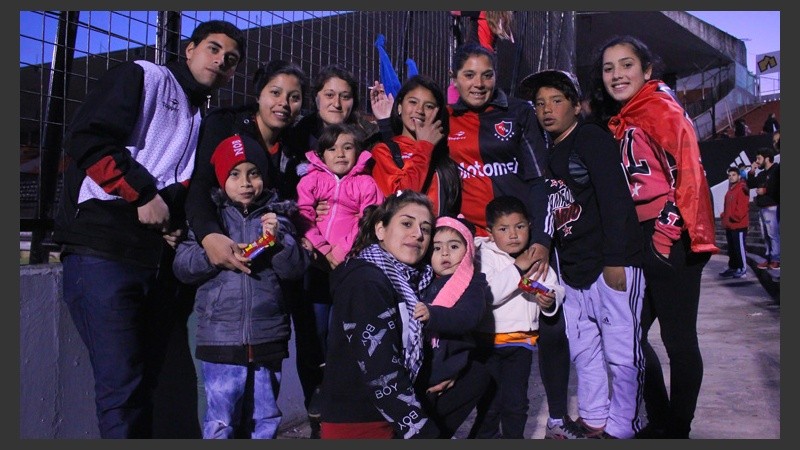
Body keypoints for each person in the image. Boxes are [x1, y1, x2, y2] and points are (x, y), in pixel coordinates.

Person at [52, 20, 245, 438]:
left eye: (230, 60)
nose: (220, 61)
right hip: (102, 253)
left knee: (141, 387)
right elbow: (87, 137)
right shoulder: (143, 75)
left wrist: (173, 221)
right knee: (121, 390)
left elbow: (183, 184)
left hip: (152, 262)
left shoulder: (200, 113)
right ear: (190, 49)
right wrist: (140, 194)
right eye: (213, 49)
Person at [590, 34, 719, 439]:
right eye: (609, 68)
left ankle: (677, 428)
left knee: (679, 341)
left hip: (672, 236)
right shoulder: (626, 114)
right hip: (643, 237)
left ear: (647, 70)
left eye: (626, 64)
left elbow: (688, 171)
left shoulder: (660, 106)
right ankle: (661, 419)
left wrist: (665, 233)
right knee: (627, 336)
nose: (617, 74)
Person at [447, 42, 573, 437]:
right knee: (482, 333)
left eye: (487, 74)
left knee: (548, 326)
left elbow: (538, 181)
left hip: (521, 238)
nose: (479, 83)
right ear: (455, 79)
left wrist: (542, 238)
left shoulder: (517, 113)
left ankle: (556, 417)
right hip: (476, 243)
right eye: (469, 75)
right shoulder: (443, 118)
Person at [183, 58, 307, 432]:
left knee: (265, 415)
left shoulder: (279, 208)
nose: (284, 102)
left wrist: (282, 240)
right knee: (222, 415)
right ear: (258, 95)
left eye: (295, 96)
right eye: (275, 92)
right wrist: (211, 248)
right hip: (220, 336)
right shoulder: (215, 215)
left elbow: (292, 268)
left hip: (268, 334)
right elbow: (185, 261)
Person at [521, 69, 646, 439]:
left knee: (622, 355)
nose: (547, 110)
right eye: (540, 103)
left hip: (609, 264)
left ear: (577, 105)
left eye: (556, 101)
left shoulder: (590, 137)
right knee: (586, 353)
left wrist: (616, 260)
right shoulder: (551, 151)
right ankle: (594, 418)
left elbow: (615, 200)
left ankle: (624, 426)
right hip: (575, 272)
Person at [282, 64, 385, 437]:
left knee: (348, 335)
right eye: (329, 94)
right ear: (317, 97)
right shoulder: (297, 138)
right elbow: (294, 200)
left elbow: (373, 206)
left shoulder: (367, 141)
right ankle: (316, 416)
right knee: (312, 334)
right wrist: (310, 224)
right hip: (311, 255)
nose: (337, 101)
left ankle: (347, 414)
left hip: (350, 259)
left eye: (345, 95)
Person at [319, 190, 441, 439]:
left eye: (426, 229)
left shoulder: (409, 282)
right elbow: (379, 366)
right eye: (406, 223)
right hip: (360, 421)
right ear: (380, 230)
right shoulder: (366, 281)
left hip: (390, 414)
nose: (418, 234)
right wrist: (423, 432)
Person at [295, 123, 385, 403]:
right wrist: (323, 249)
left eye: (348, 147)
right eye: (332, 148)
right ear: (321, 155)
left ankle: (341, 384)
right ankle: (318, 384)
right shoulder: (311, 180)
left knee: (341, 328)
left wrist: (341, 251)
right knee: (317, 328)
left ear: (358, 152)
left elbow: (368, 219)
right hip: (317, 267)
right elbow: (302, 214)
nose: (341, 154)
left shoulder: (366, 183)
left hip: (349, 267)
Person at [467, 195, 565, 439]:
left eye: (519, 227)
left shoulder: (535, 256)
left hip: (520, 345)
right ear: (490, 232)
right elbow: (489, 295)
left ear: (530, 226)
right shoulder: (483, 256)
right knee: (489, 404)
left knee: (516, 403)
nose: (513, 235)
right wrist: (518, 268)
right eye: (503, 229)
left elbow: (553, 284)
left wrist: (550, 300)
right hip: (487, 343)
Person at [413, 215, 492, 438]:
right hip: (422, 367)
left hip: (447, 365)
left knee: (436, 424)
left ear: (468, 251)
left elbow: (467, 317)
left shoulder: (473, 284)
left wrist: (432, 315)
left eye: (454, 246)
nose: (445, 253)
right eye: (436, 248)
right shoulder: (424, 281)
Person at [369, 74, 463, 217]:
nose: (419, 110)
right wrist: (424, 147)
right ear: (399, 107)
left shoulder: (445, 154)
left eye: (429, 106)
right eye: (413, 102)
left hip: (440, 235)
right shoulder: (383, 151)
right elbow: (401, 199)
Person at [747, 146, 780, 270]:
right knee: (765, 235)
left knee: (773, 234)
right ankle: (769, 257)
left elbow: (778, 186)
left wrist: (765, 190)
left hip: (772, 207)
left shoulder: (776, 170)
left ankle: (776, 259)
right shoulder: (761, 174)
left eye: (759, 158)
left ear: (767, 158)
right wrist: (751, 171)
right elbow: (750, 184)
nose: (757, 161)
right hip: (762, 208)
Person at [719, 167, 750, 278]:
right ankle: (733, 267)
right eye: (729, 175)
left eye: (734, 175)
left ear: (739, 176)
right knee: (732, 249)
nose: (731, 177)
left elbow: (742, 208)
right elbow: (729, 207)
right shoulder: (731, 189)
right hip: (730, 225)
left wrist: (732, 217)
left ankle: (742, 269)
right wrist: (725, 215)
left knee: (739, 248)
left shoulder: (741, 188)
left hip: (738, 225)